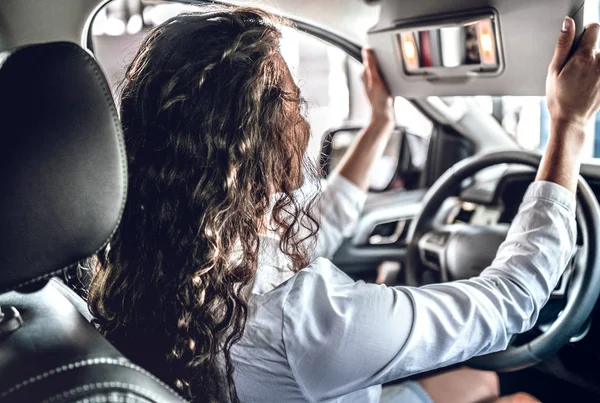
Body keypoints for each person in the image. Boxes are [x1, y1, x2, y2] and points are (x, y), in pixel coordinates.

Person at [86, 6, 600, 403]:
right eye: (293, 102)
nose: (306, 124)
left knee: (477, 382)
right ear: (250, 137)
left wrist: (379, 124)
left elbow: (311, 229)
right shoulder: (312, 319)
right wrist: (570, 127)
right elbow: (513, 299)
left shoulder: (177, 257)